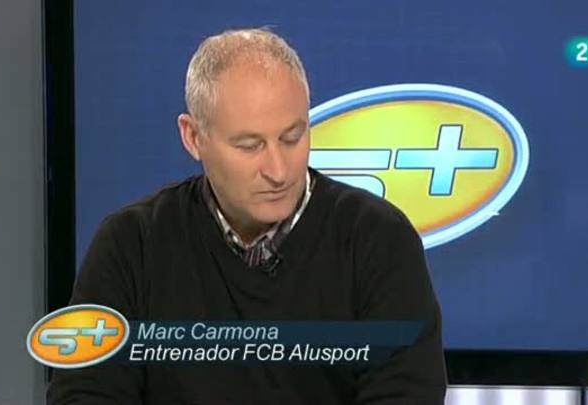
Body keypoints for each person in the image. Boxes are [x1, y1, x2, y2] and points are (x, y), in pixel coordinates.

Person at [47, 28, 446, 404]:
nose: (278, 170)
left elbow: (405, 393)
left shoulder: (378, 240)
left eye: (292, 137)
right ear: (193, 137)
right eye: (250, 145)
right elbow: (85, 393)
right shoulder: (132, 246)